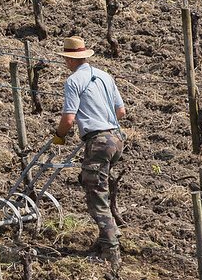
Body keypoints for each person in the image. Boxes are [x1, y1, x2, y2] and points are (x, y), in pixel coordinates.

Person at [52, 36, 126, 270]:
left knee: (96, 197)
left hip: (98, 142)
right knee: (96, 185)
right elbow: (121, 111)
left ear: (68, 59)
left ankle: (110, 253)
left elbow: (69, 118)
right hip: (116, 139)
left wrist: (60, 135)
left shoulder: (73, 81)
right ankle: (107, 237)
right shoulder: (105, 76)